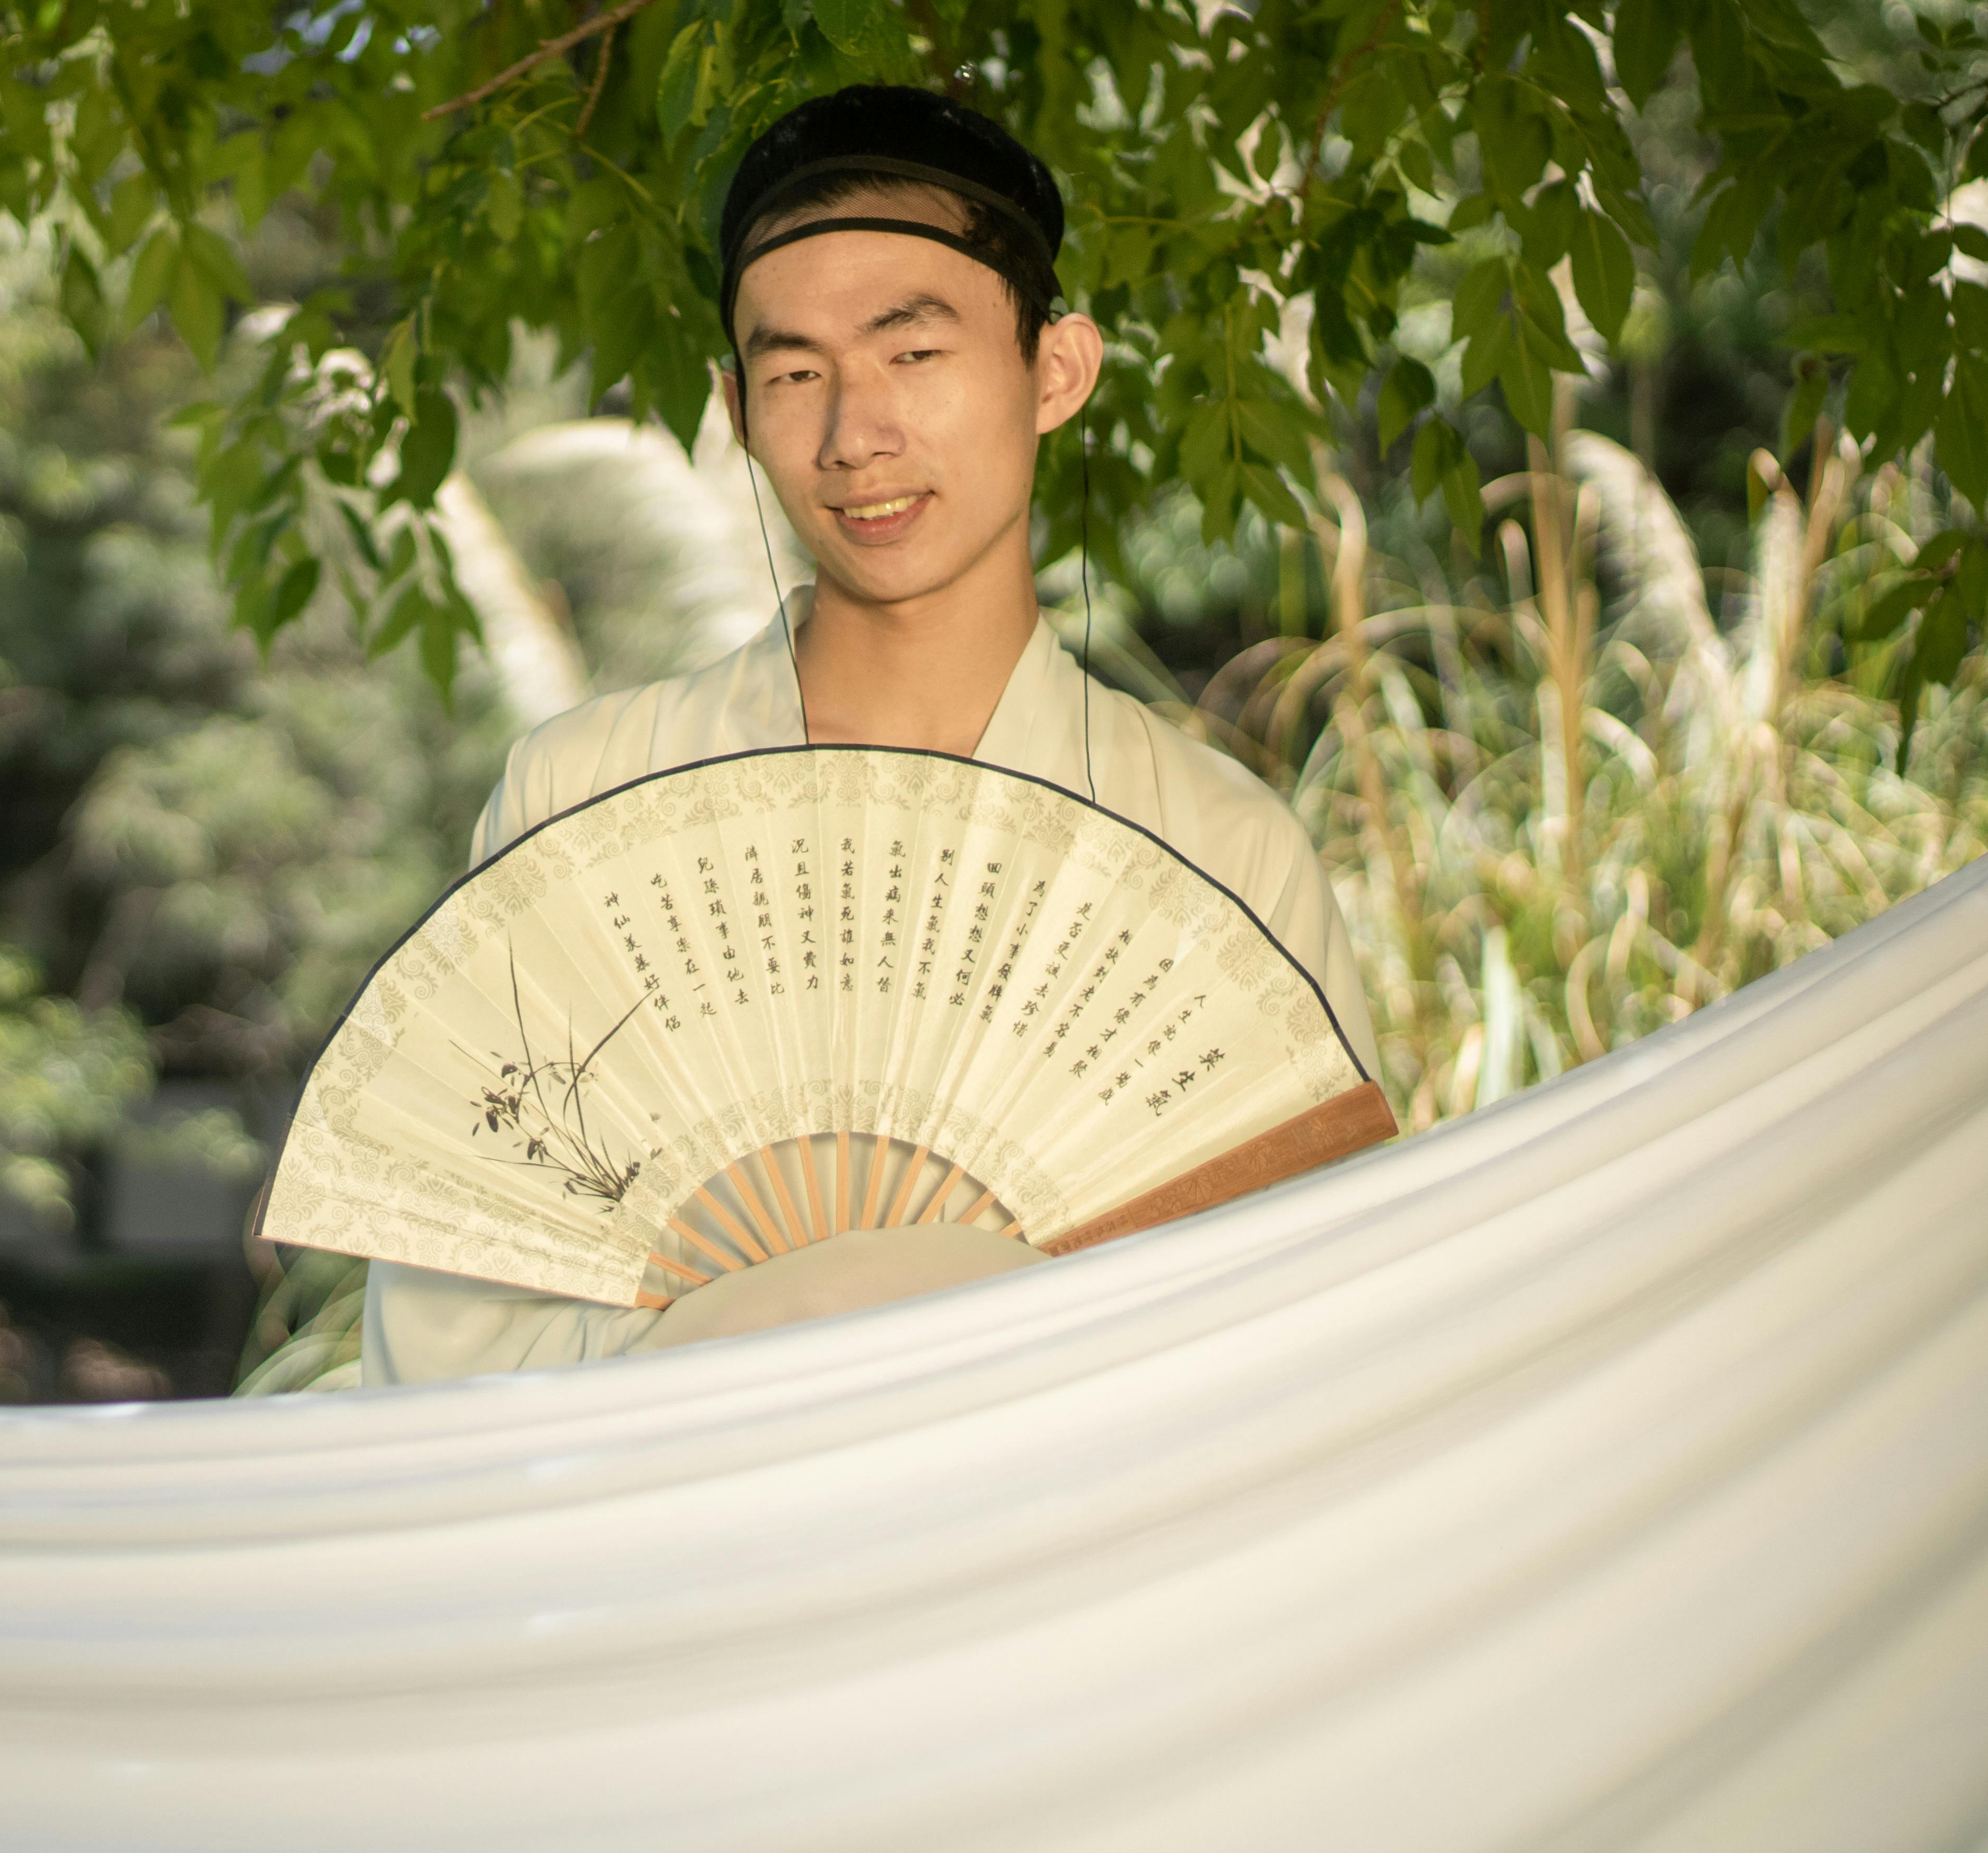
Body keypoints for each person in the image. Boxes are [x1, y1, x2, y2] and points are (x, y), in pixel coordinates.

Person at [359, 84, 1382, 1386]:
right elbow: (461, 1330)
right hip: (685, 1558)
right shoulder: (588, 794)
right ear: (738, 409)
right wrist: (853, 1318)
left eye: (914, 353)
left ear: (1055, 370)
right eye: (796, 374)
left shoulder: (1215, 848)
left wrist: (852, 1310)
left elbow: (1304, 1332)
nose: (855, 435)